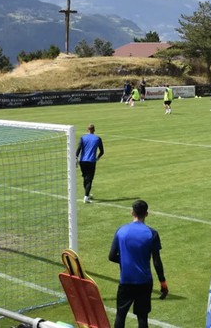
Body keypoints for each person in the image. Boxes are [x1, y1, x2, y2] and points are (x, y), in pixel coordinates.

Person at [109, 200, 168, 328]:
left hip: (126, 281)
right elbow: (157, 261)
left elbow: (112, 256)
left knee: (121, 314)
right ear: (146, 214)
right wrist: (163, 282)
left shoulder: (121, 231)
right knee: (142, 317)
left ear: (132, 212)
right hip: (144, 282)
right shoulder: (152, 233)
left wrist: (126, 260)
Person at [75, 124, 104, 203]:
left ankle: (86, 194)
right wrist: (97, 158)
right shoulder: (98, 138)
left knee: (85, 178)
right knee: (89, 179)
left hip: (82, 161)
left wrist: (75, 158)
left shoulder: (83, 138)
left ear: (87, 130)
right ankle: (86, 197)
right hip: (91, 161)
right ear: (94, 130)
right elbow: (102, 151)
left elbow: (78, 149)